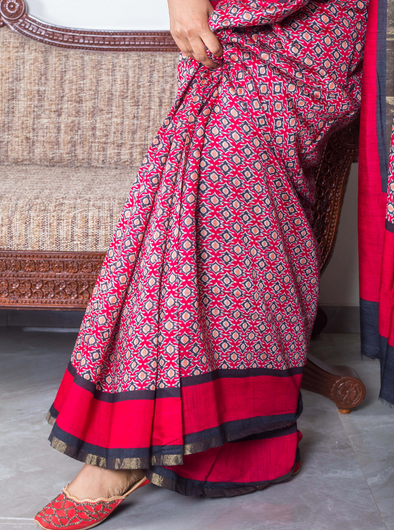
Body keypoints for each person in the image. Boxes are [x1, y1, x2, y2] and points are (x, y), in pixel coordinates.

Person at [34, 0, 368, 528]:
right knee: (179, 223)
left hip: (296, 49)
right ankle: (144, 432)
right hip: (229, 51)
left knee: (224, 216)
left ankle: (152, 442)